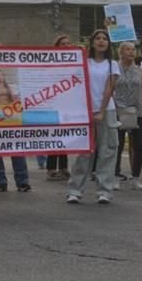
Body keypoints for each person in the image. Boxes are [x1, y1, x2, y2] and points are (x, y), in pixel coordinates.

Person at [66, 29, 119, 205]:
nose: (101, 41)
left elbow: (109, 88)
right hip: (84, 111)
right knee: (83, 152)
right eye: (98, 38)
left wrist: (101, 110)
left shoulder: (112, 64)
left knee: (107, 151)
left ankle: (104, 190)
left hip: (106, 110)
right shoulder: (84, 62)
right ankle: (75, 190)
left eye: (105, 39)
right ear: (92, 42)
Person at [0, 41, 31, 192]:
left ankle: (22, 181)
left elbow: (20, 91)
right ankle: (0, 181)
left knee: (17, 148)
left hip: (12, 115)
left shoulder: (13, 68)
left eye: (1, 50)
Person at [113, 42, 142, 190]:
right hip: (119, 110)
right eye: (127, 49)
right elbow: (110, 88)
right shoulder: (114, 68)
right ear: (121, 53)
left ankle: (136, 177)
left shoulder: (141, 71)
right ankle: (115, 176)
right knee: (118, 144)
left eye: (133, 49)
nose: (131, 52)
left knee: (139, 145)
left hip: (138, 111)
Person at [46, 35, 72, 180]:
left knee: (64, 136)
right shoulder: (52, 62)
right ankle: (50, 168)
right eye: (63, 44)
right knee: (53, 135)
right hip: (54, 103)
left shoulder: (75, 62)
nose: (67, 46)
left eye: (68, 43)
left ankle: (63, 167)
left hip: (68, 104)